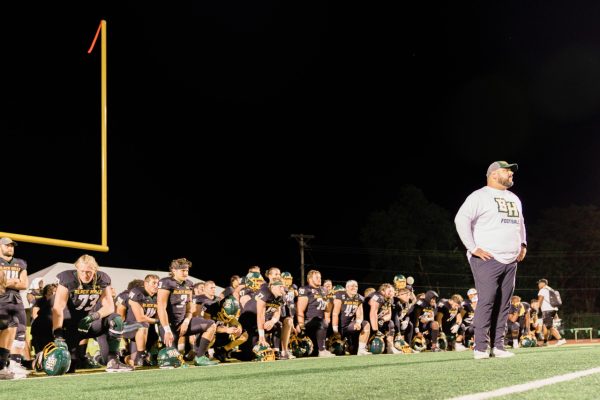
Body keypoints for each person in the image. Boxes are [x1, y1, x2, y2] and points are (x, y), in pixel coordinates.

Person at [455, 161, 527, 359]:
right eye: (507, 171)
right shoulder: (479, 196)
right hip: (487, 258)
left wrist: (523, 244)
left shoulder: (514, 197)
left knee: (504, 303)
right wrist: (473, 247)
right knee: (487, 301)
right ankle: (480, 347)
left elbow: (520, 223)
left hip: (511, 259)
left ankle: (498, 346)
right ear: (494, 175)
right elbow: (461, 220)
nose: (511, 174)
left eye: (512, 171)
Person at [52, 254, 134, 372]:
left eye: (89, 272)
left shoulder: (102, 279)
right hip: (71, 326)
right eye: (82, 271)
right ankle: (39, 359)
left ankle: (113, 361)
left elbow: (110, 307)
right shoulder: (67, 278)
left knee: (116, 319)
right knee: (67, 366)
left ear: (95, 269)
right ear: (77, 268)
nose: (86, 275)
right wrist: (58, 334)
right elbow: (58, 308)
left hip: (91, 322)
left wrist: (92, 317)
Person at [0, 237, 30, 377]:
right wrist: (14, 280)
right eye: (7, 245)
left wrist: (5, 281)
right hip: (1, 300)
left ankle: (14, 364)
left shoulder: (20, 263)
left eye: (12, 246)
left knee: (20, 331)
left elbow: (24, 284)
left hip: (17, 300)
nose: (10, 248)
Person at [536, 279, 566, 346]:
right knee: (545, 326)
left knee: (549, 326)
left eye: (539, 283)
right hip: (554, 309)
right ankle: (545, 342)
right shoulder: (550, 289)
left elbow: (540, 300)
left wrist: (537, 309)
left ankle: (561, 339)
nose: (538, 285)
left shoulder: (542, 290)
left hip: (547, 310)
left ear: (543, 283)